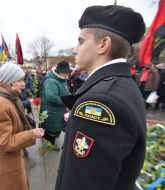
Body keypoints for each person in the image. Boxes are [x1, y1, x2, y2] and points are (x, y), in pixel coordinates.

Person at [55, 5, 146, 190]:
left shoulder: (99, 102)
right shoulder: (124, 84)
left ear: (103, 44)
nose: (74, 49)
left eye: (81, 42)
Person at [0, 62, 44, 190]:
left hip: (6, 162)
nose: (23, 84)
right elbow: (4, 142)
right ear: (9, 82)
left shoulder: (7, 98)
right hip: (3, 167)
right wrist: (31, 134)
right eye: (19, 80)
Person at [40, 61, 70, 149]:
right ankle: (49, 145)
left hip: (59, 111)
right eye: (65, 72)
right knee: (51, 129)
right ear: (59, 72)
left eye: (68, 72)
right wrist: (67, 101)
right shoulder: (51, 81)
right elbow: (51, 97)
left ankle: (51, 142)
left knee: (56, 129)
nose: (67, 74)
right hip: (51, 112)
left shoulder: (62, 80)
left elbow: (66, 92)